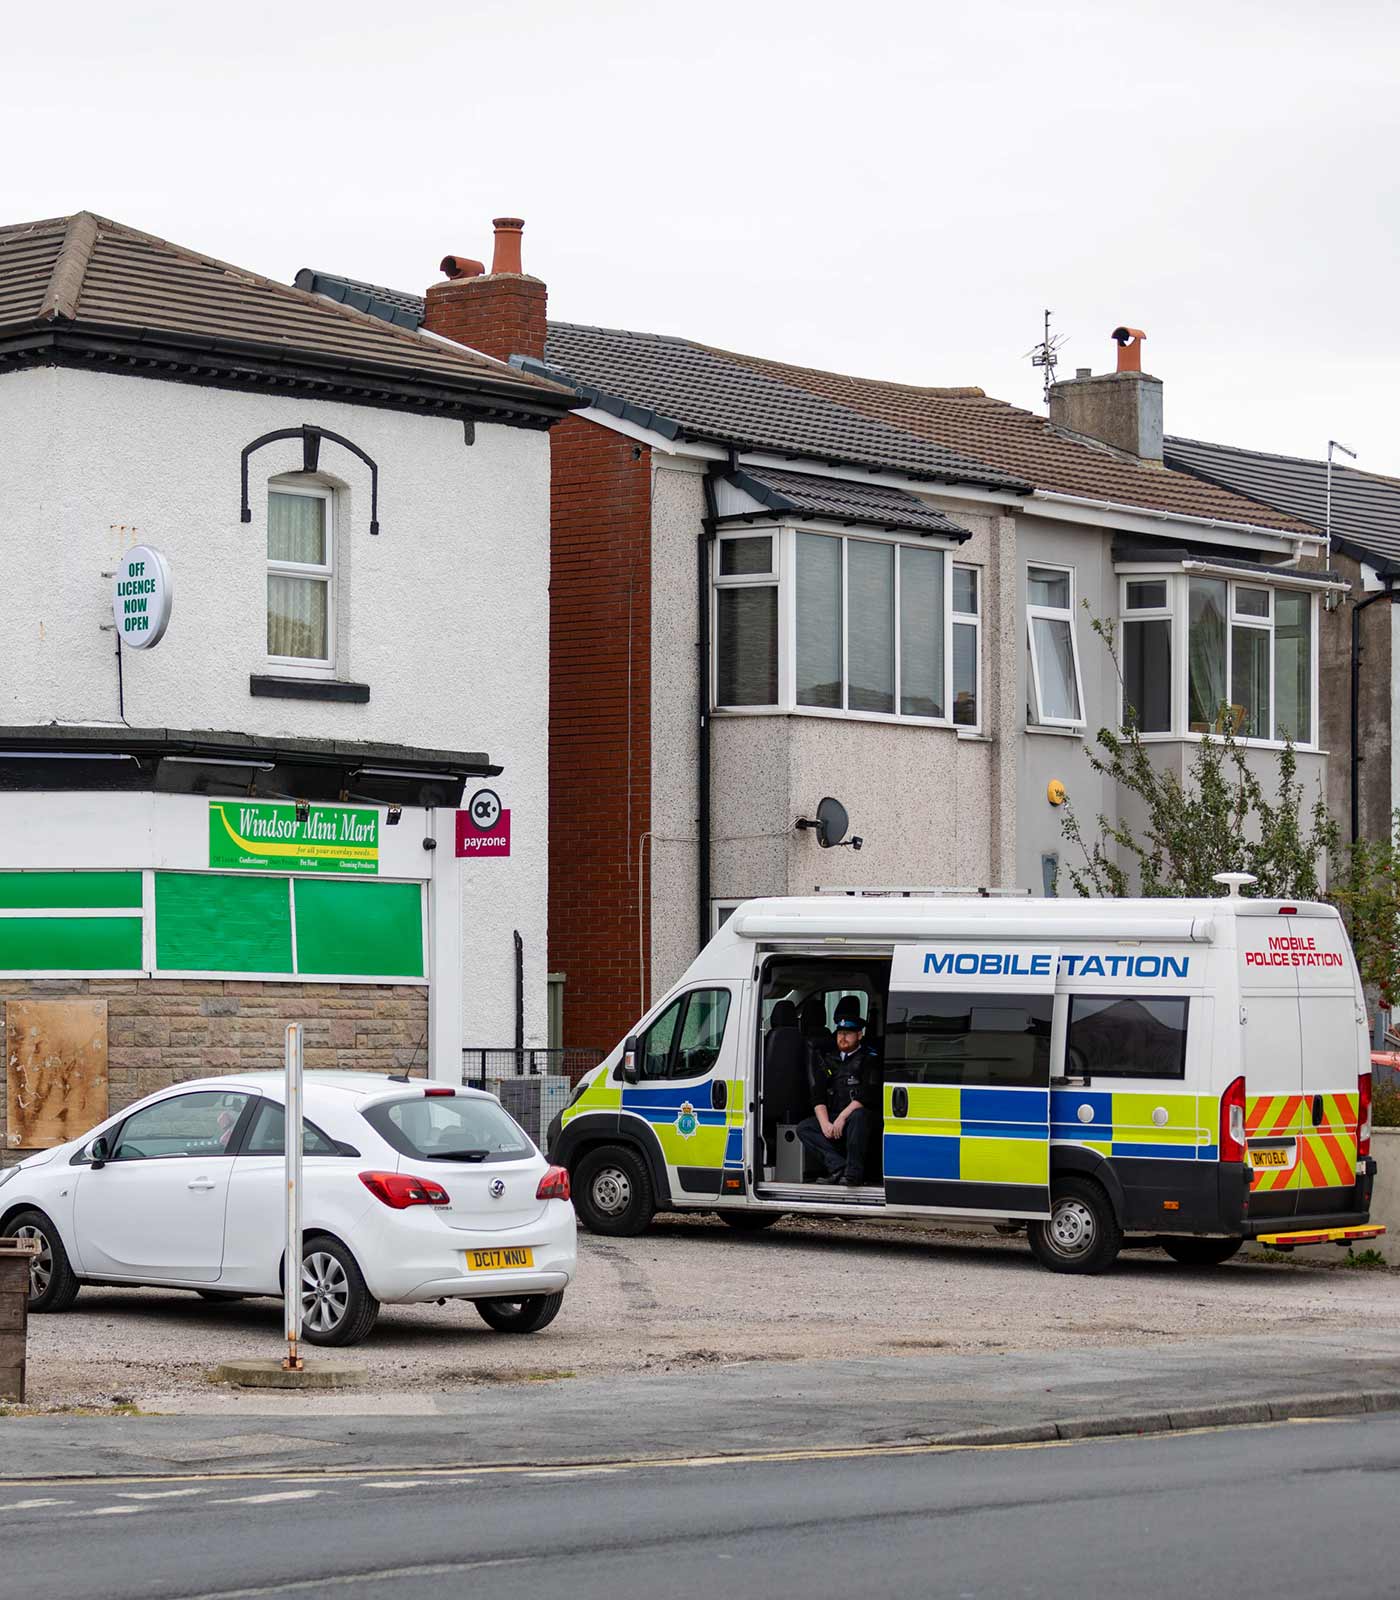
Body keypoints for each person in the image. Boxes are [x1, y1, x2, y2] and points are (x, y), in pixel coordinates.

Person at [796, 996, 878, 1185]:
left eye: (848, 1033)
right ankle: (838, 1166)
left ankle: (853, 1174)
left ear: (859, 1035)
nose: (843, 1037)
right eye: (840, 1032)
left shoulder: (869, 1058)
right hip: (834, 1115)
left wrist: (842, 1118)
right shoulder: (828, 1058)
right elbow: (818, 1096)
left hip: (856, 1118)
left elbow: (867, 1095)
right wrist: (825, 1123)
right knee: (805, 1128)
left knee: (859, 1116)